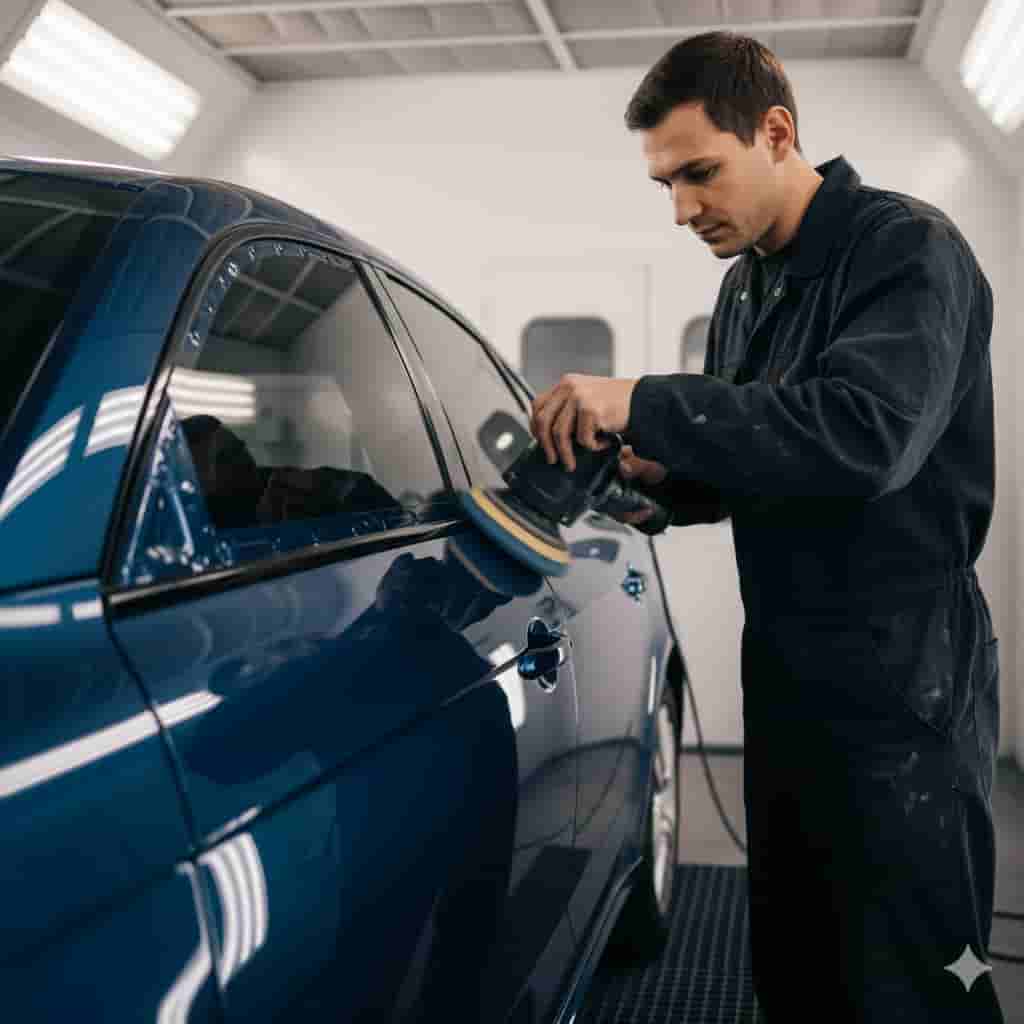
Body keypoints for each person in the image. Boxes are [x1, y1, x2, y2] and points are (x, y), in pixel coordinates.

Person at [527, 31, 1003, 1024]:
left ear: (775, 132)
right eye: (663, 183)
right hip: (788, 677)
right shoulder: (747, 284)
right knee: (800, 955)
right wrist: (652, 481)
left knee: (910, 979)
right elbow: (764, 458)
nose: (682, 207)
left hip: (898, 686)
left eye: (698, 172)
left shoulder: (906, 250)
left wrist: (645, 401)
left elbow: (862, 436)